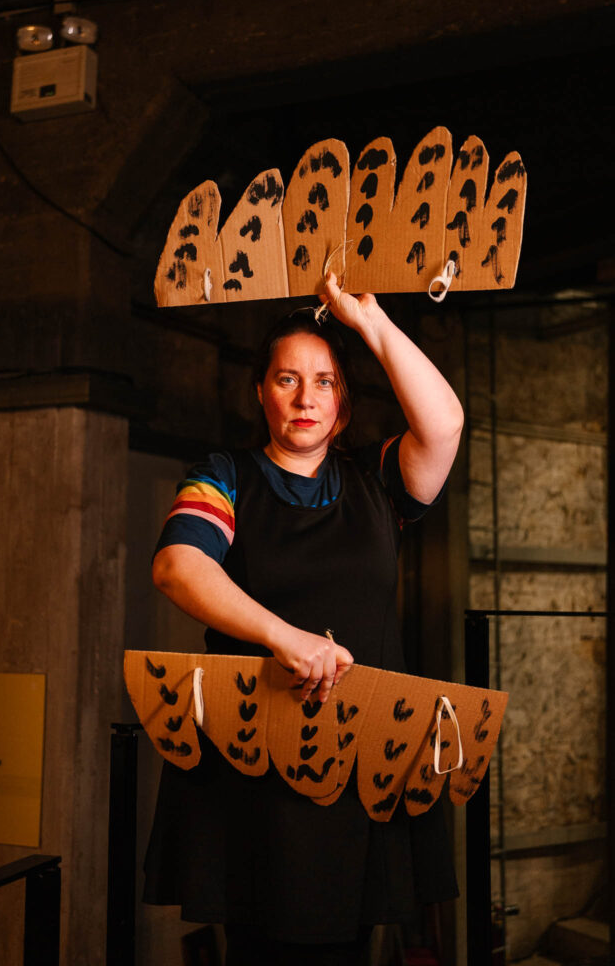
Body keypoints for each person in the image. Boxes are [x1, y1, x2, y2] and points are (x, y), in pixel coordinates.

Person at [145, 275, 464, 966]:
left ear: (343, 404)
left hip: (363, 759)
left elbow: (444, 425)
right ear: (260, 392)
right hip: (256, 763)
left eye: (324, 382)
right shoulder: (225, 475)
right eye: (287, 379)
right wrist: (284, 638)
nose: (305, 398)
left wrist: (369, 322)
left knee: (350, 946)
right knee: (262, 949)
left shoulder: (379, 481)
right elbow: (177, 566)